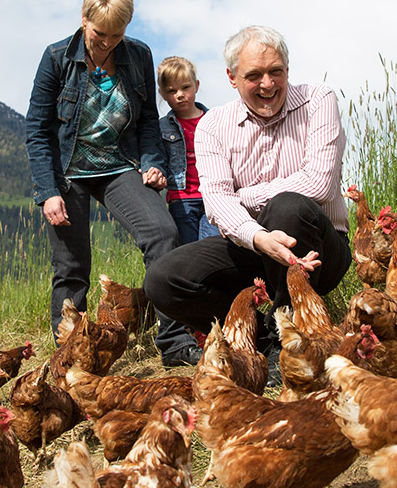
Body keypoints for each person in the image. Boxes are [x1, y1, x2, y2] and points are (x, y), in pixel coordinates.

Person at [143, 25, 352, 384]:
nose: (267, 84)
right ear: (232, 78)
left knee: (288, 208)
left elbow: (318, 184)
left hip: (317, 249)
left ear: (288, 68)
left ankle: (291, 340)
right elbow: (216, 202)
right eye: (254, 75)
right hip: (253, 246)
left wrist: (245, 197)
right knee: (162, 280)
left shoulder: (318, 100)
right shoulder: (213, 125)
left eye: (276, 71)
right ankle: (261, 338)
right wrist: (258, 237)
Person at [25, 0, 202, 368]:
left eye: (116, 35)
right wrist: (48, 191)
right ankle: (70, 360)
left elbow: (148, 121)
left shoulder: (138, 55)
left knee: (163, 233)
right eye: (99, 34)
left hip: (119, 165)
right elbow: (37, 129)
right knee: (71, 267)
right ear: (83, 19)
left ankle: (174, 342)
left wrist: (153, 162)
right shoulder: (56, 58)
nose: (106, 43)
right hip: (68, 172)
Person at [157, 56, 221, 246]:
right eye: (172, 90)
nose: (180, 94)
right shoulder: (162, 127)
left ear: (196, 86)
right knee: (188, 248)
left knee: (212, 246)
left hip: (213, 195)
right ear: (162, 94)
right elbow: (159, 158)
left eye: (185, 87)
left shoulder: (214, 121)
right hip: (181, 199)